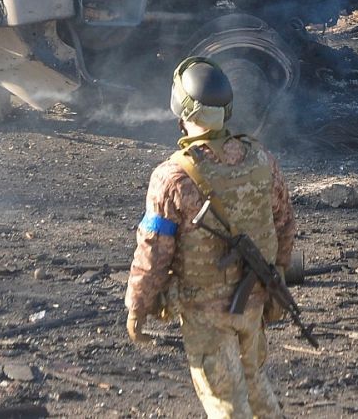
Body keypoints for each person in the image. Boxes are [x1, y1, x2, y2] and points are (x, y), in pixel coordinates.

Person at [125, 57, 296, 419]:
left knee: (225, 403)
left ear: (181, 108)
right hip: (254, 301)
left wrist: (137, 306)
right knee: (254, 383)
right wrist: (277, 275)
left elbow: (153, 251)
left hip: (205, 311)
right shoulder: (261, 159)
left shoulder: (172, 177)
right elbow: (284, 224)